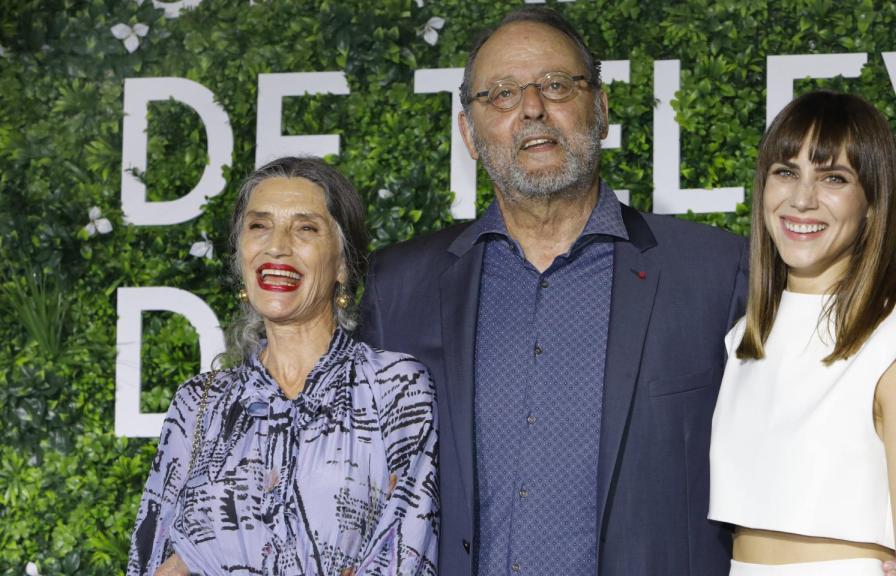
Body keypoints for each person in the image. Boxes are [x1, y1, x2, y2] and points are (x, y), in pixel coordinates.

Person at [359, 7, 746, 575]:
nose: (533, 108)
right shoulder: (396, 287)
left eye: (557, 85)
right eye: (502, 94)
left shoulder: (718, 273)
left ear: (602, 109)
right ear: (468, 134)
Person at [127, 157, 438, 576]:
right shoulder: (198, 404)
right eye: (259, 226)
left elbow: (406, 556)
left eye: (305, 228)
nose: (277, 246)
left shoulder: (395, 388)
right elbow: (150, 560)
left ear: (343, 264)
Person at [709, 91, 896, 575]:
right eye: (786, 172)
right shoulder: (745, 338)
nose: (802, 199)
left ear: (872, 203)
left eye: (834, 178)